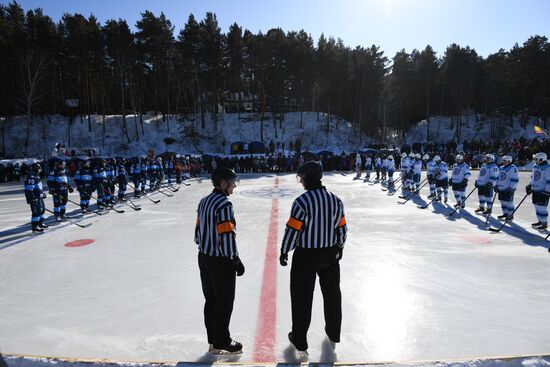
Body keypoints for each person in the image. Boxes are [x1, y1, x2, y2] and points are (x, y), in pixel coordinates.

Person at [279, 161, 347, 355]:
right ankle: (334, 334)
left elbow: (293, 230)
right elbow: (342, 228)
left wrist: (285, 250)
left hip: (306, 257)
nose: (300, 182)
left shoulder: (302, 202)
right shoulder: (335, 200)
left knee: (301, 298)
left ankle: (300, 340)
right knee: (332, 296)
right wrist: (339, 247)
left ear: (308, 178)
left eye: (301, 178)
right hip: (329, 255)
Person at [194, 167, 244, 355]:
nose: (234, 186)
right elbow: (226, 234)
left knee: (211, 300)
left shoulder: (204, 201)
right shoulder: (224, 205)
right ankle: (222, 341)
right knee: (224, 302)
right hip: (220, 262)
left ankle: (213, 340)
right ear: (223, 183)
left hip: (204, 257)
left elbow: (198, 234)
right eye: (232, 182)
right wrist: (235, 259)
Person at [526, 152, 550, 231]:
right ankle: (540, 221)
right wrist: (529, 185)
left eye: (536, 159)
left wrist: (547, 191)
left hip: (543, 191)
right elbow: (533, 178)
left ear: (541, 159)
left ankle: (544, 223)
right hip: (535, 190)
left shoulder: (547, 167)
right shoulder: (535, 166)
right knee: (536, 206)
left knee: (542, 207)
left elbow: (549, 180)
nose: (535, 160)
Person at [24, 163, 48, 232]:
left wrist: (42, 193)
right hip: (34, 198)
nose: (40, 170)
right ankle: (35, 226)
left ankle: (40, 223)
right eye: (39, 169)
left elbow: (38, 187)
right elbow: (29, 189)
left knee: (41, 210)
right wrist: (33, 197)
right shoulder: (31, 177)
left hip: (39, 197)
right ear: (36, 169)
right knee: (36, 212)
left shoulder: (36, 176)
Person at [495, 155, 519, 221]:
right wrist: (496, 185)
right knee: (502, 202)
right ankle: (505, 214)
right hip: (501, 188)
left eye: (505, 161)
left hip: (508, 188)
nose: (503, 162)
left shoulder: (513, 168)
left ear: (509, 161)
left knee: (509, 202)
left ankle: (510, 215)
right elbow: (498, 178)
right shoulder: (501, 168)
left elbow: (515, 179)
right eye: (503, 161)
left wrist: (512, 188)